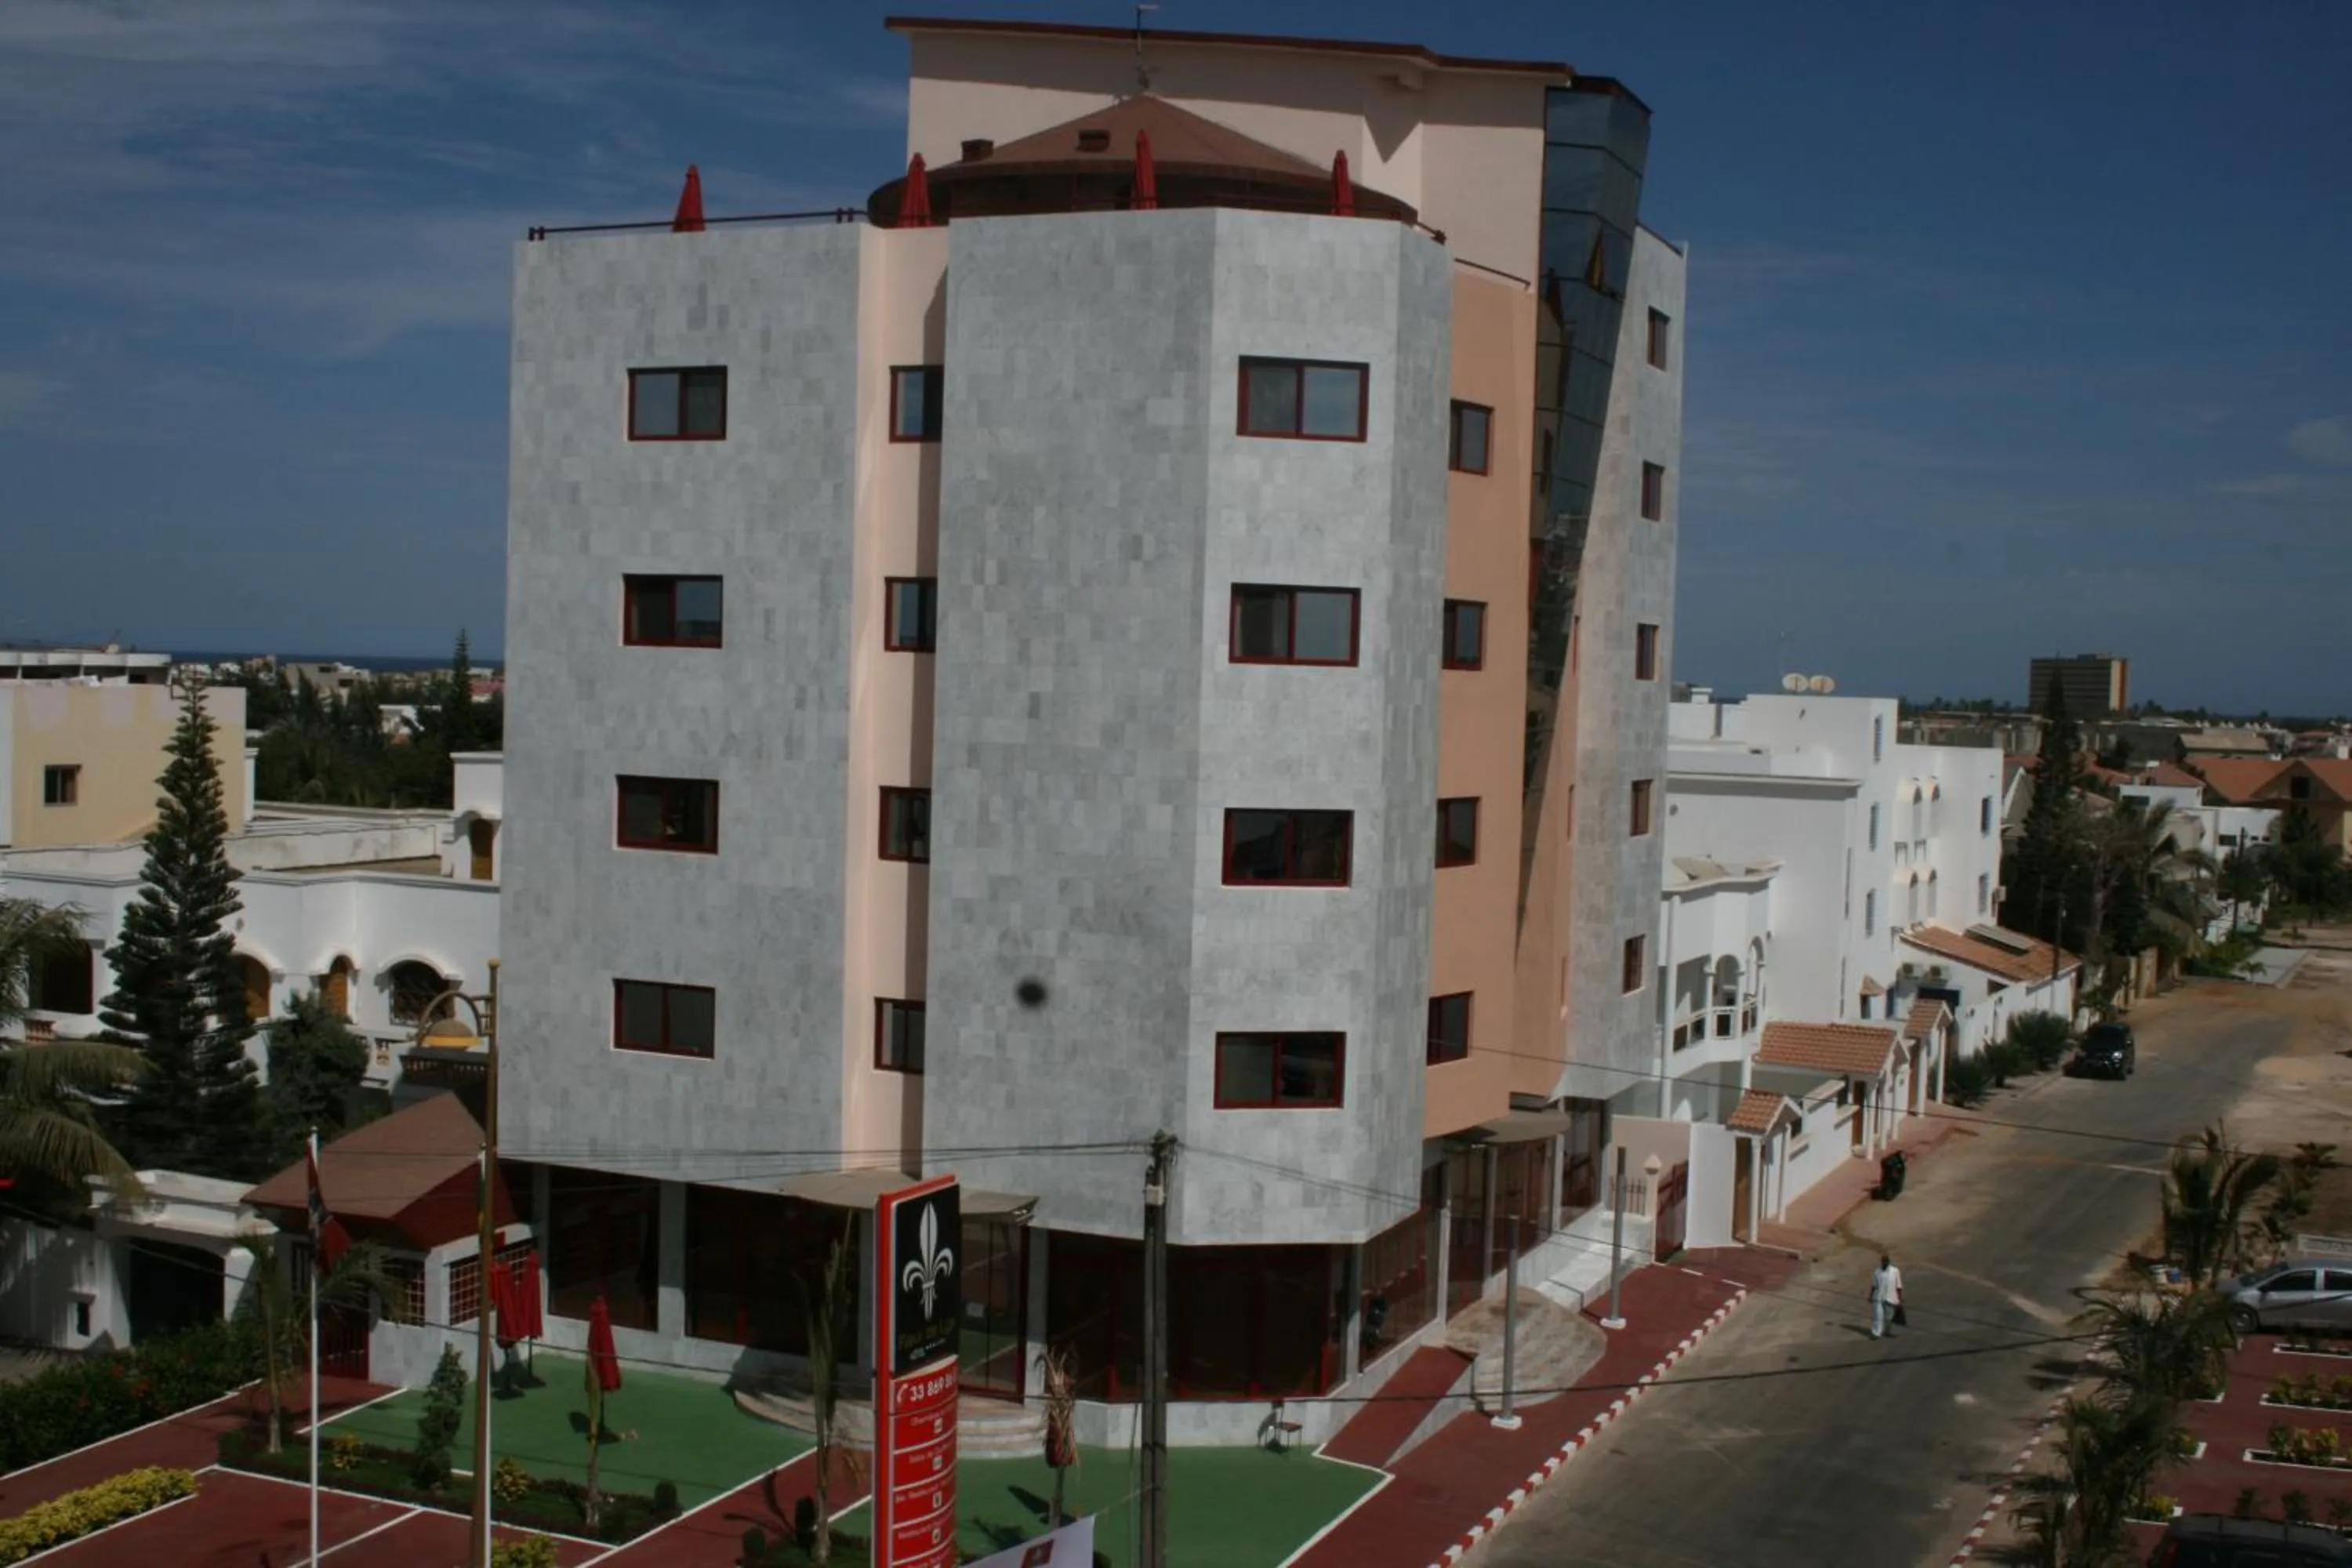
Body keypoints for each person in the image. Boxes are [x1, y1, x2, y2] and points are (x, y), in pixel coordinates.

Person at [1870, 1254, 1904, 1340]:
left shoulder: (1895, 1271)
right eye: (1883, 1261)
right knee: (1878, 1315)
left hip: (1891, 1297)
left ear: (1888, 1262)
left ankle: (1887, 1331)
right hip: (1879, 1297)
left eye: (1886, 1261)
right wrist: (1870, 1296)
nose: (1884, 1263)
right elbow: (1874, 1285)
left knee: (1889, 1317)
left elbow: (1899, 1286)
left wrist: (1900, 1299)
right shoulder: (1877, 1272)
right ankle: (1876, 1333)